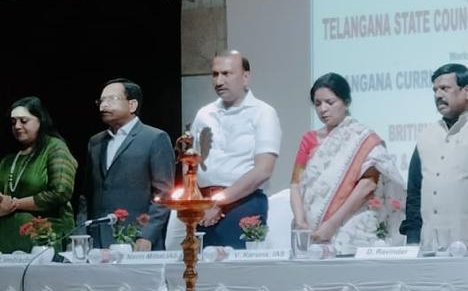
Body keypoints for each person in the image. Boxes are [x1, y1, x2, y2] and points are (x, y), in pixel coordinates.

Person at [400, 64, 468, 247]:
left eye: (445, 88)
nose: (438, 95)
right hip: (427, 248)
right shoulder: (426, 135)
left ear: (467, 91)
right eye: (435, 90)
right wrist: (412, 240)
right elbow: (414, 194)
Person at [290, 73, 405, 251]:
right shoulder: (309, 139)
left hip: (350, 226)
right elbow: (296, 183)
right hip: (308, 231)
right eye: (318, 103)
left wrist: (331, 225)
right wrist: (300, 221)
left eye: (330, 102)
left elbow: (367, 185)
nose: (323, 109)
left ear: (346, 102)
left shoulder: (363, 139)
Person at [191, 50, 281, 248]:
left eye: (226, 74)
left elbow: (263, 170)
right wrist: (200, 203)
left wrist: (219, 202)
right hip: (203, 206)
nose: (219, 81)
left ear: (245, 77)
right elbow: (190, 162)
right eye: (215, 74)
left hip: (243, 203)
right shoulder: (204, 114)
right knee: (198, 265)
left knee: (236, 264)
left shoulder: (263, 113)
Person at [83, 79, 175, 250]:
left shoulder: (154, 138)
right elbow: (87, 193)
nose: (103, 106)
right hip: (98, 240)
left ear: (132, 105)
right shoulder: (95, 142)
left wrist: (147, 235)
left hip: (136, 237)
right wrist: (82, 234)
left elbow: (164, 194)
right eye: (101, 101)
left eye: (111, 99)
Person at [0, 97, 77, 253]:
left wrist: (14, 204)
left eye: (23, 121)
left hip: (45, 242)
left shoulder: (55, 148)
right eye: (13, 122)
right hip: (6, 241)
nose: (17, 126)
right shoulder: (8, 159)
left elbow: (60, 192)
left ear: (40, 121)